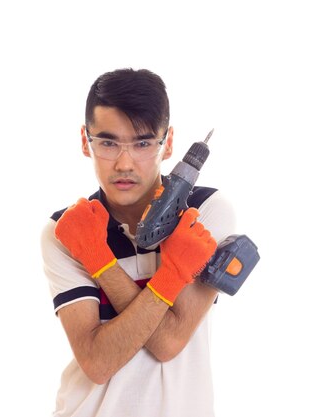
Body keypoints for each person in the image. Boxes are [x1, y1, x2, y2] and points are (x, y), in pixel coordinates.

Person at [40, 68, 237, 417]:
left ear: (169, 142)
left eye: (144, 143)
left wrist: (100, 263)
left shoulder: (205, 212)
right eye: (108, 142)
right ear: (86, 142)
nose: (125, 162)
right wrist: (170, 275)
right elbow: (98, 363)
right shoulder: (66, 232)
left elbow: (169, 342)